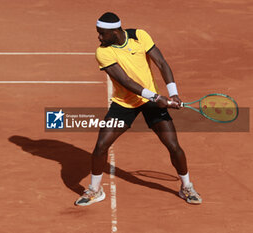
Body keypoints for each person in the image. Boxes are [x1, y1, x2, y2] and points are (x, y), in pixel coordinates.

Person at [75, 12, 202, 206]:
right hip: (125, 103)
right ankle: (95, 190)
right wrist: (157, 97)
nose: (99, 37)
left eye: (102, 33)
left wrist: (173, 93)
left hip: (151, 101)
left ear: (116, 31)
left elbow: (162, 63)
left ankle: (186, 187)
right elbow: (125, 81)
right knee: (101, 146)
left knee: (173, 145)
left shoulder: (140, 36)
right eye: (98, 33)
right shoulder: (103, 52)